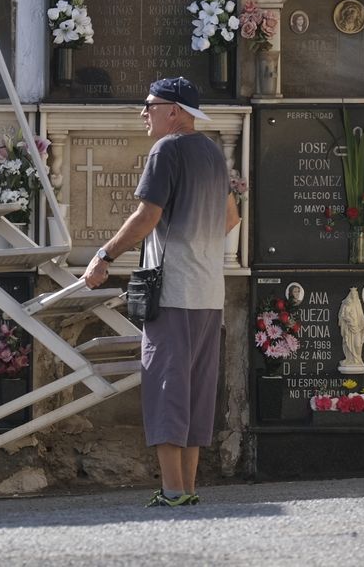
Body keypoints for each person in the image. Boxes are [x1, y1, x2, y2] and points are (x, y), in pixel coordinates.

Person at [82, 77, 240, 508]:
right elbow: (230, 217)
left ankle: (172, 492)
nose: (144, 112)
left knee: (167, 388)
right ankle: (187, 490)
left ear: (174, 110)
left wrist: (105, 255)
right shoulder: (211, 152)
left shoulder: (166, 150)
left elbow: (147, 214)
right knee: (195, 391)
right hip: (209, 292)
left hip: (173, 292)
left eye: (150, 105)